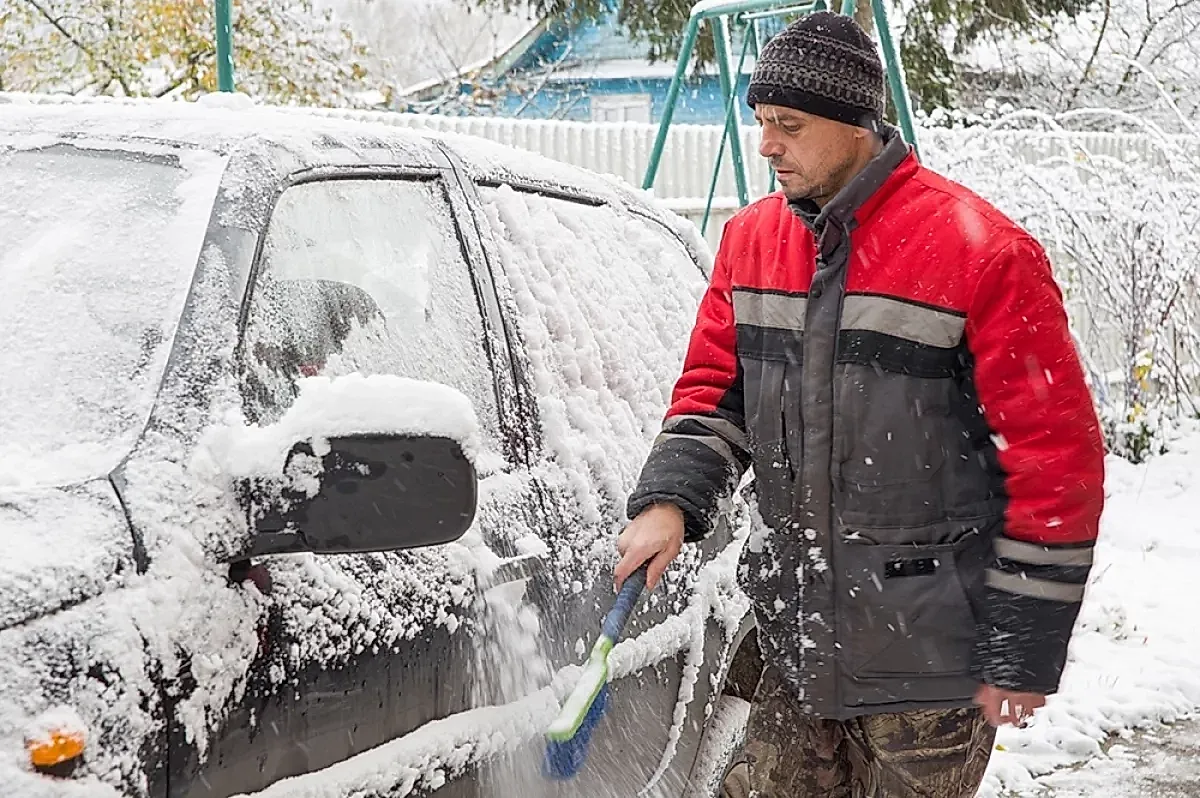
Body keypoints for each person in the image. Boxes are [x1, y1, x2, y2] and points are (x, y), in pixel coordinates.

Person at [613, 11, 1106, 798]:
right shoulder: (751, 240)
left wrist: (1028, 641)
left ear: (855, 126)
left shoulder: (982, 252)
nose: (766, 143)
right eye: (761, 122)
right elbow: (716, 390)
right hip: (795, 634)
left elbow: (1055, 459)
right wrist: (672, 500)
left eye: (789, 125)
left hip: (931, 664)